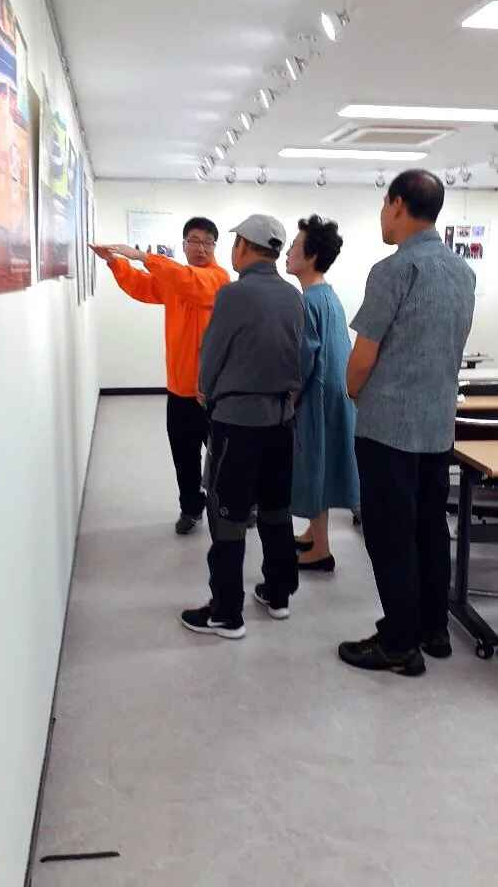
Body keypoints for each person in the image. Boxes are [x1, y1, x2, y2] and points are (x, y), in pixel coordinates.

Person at [338, 170, 475, 677]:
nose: (382, 215)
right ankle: (433, 630)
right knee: (430, 528)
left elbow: (363, 358)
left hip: (388, 429)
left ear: (396, 203)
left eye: (383, 205)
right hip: (437, 426)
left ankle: (399, 642)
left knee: (390, 534)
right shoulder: (462, 272)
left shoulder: (393, 270)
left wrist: (353, 390)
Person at [181, 215, 305, 639]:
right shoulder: (293, 295)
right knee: (275, 508)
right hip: (281, 420)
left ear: (244, 246)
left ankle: (226, 612)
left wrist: (206, 392)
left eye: (233, 242)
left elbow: (212, 355)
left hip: (238, 422)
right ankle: (278, 593)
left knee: (228, 515)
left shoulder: (233, 294)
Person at [90, 218, 230, 535]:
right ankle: (191, 508)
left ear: (214, 247)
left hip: (212, 392)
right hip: (179, 389)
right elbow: (142, 286)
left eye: (208, 242)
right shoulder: (174, 279)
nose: (201, 248)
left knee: (223, 458)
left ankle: (235, 507)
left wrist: (143, 256)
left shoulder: (218, 279)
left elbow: (193, 284)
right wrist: (114, 262)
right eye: (194, 241)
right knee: (184, 456)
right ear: (183, 245)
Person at [286, 215, 359, 570]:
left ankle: (322, 551)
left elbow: (303, 359)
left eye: (294, 246)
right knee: (321, 465)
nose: (287, 252)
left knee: (313, 465)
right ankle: (314, 534)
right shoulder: (327, 295)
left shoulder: (307, 301)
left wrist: (289, 399)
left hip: (316, 396)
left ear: (311, 256)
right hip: (335, 394)